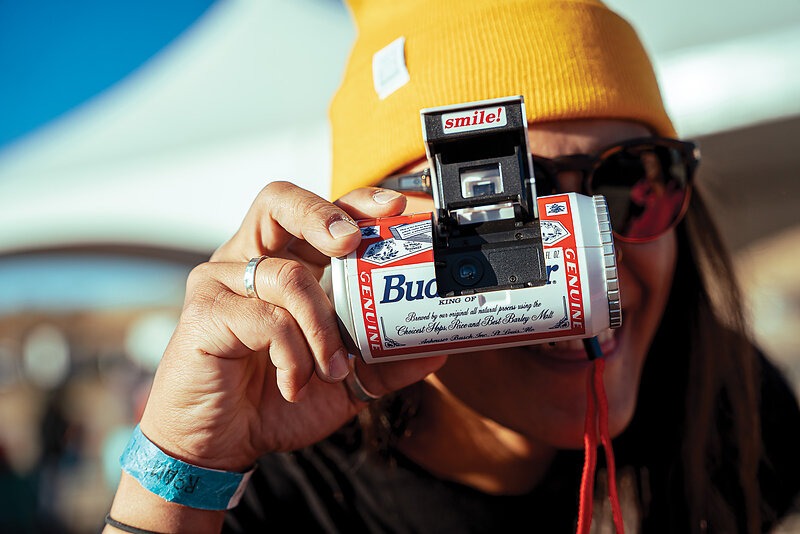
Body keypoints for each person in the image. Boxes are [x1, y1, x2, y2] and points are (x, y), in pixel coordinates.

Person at [103, 0, 800, 532]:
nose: (591, 253)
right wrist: (180, 469)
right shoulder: (269, 491)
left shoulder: (728, 406)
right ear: (370, 237)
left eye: (637, 181)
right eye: (505, 202)